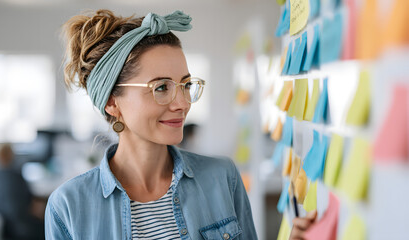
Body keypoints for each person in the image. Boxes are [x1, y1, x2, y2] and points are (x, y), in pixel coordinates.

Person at [45, 9, 314, 239]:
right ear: (112, 102)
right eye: (161, 87)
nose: (183, 103)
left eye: (186, 85)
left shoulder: (223, 178)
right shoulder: (68, 206)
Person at [0, 143, 44, 240]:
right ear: (11, 155)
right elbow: (31, 203)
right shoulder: (16, 177)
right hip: (26, 228)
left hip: (4, 229)